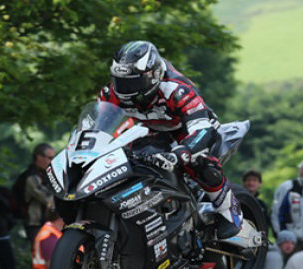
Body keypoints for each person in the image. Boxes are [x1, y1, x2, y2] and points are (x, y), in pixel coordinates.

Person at [99, 40, 242, 239]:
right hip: (149, 130)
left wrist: (184, 151)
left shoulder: (176, 89)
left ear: (153, 74)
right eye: (121, 81)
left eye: (133, 81)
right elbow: (98, 126)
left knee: (198, 162)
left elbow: (202, 128)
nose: (126, 88)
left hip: (189, 127)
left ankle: (228, 211)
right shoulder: (111, 93)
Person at [12, 143, 55, 245]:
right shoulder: (31, 177)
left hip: (47, 224)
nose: (52, 161)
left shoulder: (46, 174)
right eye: (50, 158)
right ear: (39, 157)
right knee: (42, 257)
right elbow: (48, 198)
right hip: (36, 225)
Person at [242, 169, 272, 236]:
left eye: (254, 180)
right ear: (243, 183)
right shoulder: (238, 201)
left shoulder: (262, 205)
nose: (251, 183)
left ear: (260, 184)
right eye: (248, 180)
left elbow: (265, 226)